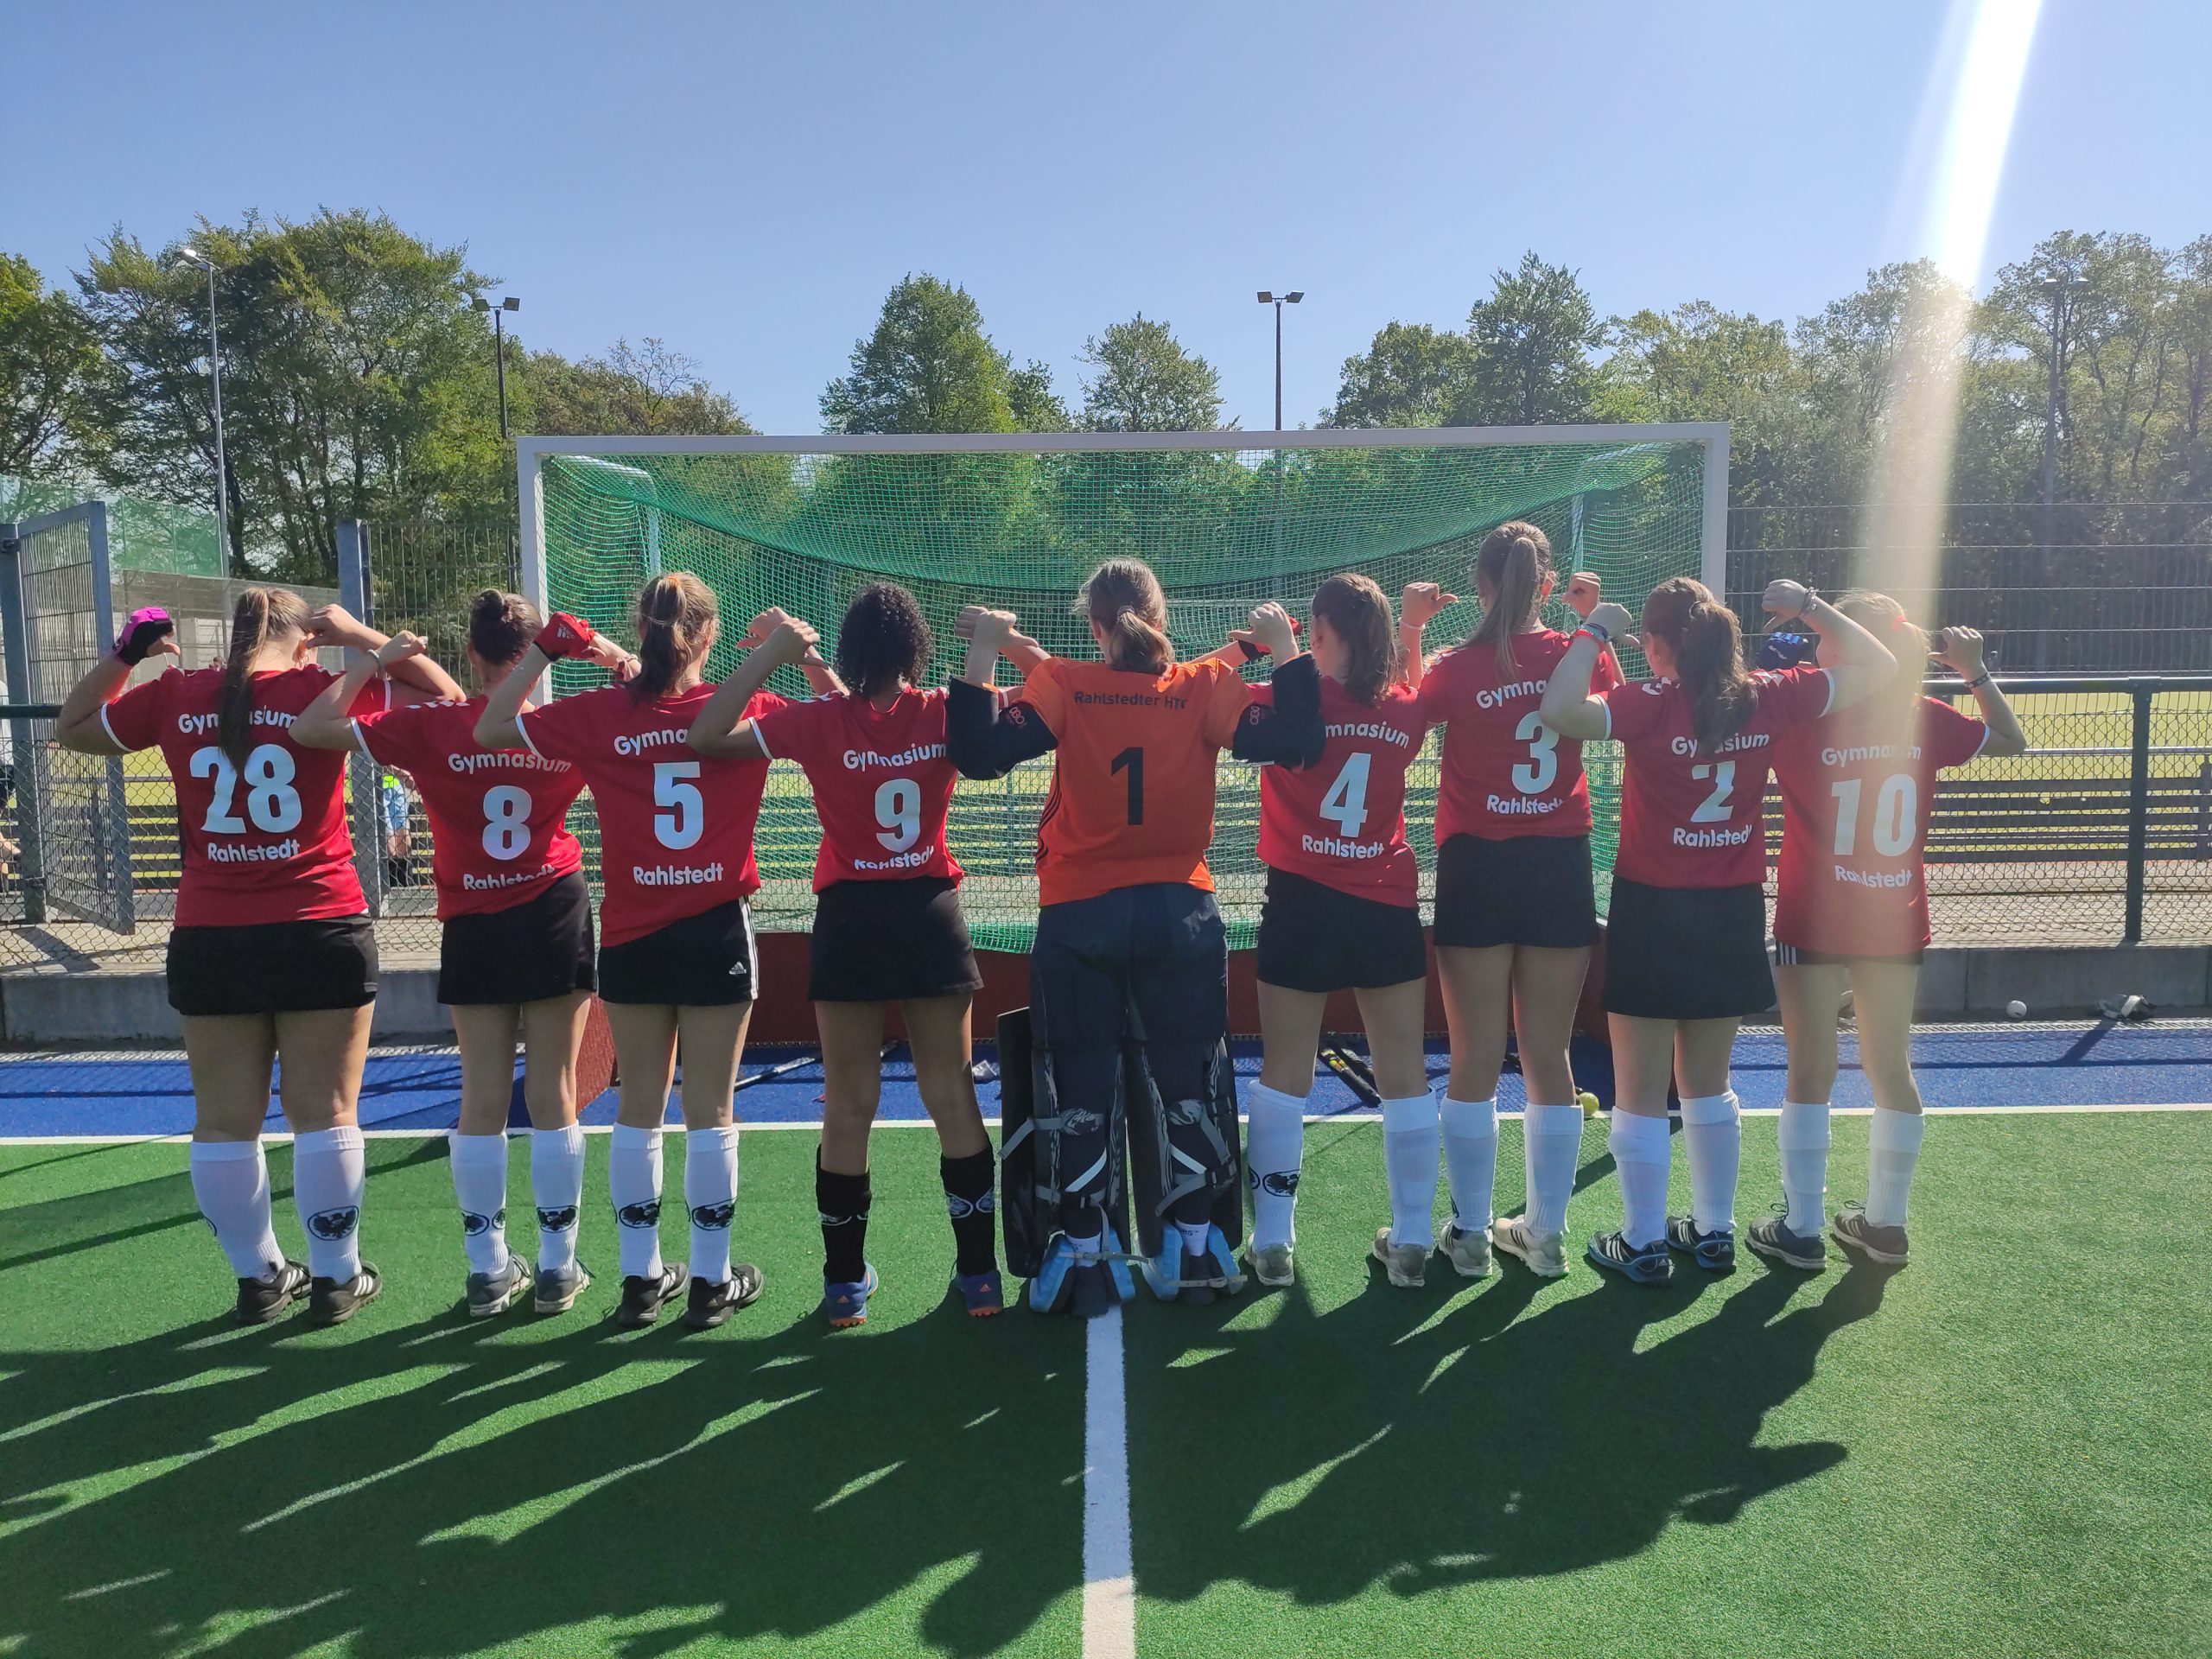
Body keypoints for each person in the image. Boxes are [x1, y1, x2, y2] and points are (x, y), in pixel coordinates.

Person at [54, 590, 461, 1324]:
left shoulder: (178, 693)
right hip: (318, 925)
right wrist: (362, 638)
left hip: (213, 934)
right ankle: (336, 1276)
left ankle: (260, 1277)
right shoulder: (321, 688)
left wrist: (124, 656)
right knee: (326, 1112)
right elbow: (449, 700)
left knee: (223, 1121)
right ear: (306, 640)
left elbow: (73, 728)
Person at [947, 559, 1324, 1316]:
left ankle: (1085, 1252)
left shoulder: (1067, 682)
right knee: (1189, 1081)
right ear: (1163, 617)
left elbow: (977, 755)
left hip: (1080, 915)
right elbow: (1300, 739)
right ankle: (1195, 1246)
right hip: (1181, 914)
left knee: (1079, 1086)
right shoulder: (1202, 685)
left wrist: (984, 652)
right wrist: (1286, 650)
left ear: (1095, 625)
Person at [475, 572, 838, 1332]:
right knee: (711, 1109)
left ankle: (641, 1280)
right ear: (707, 635)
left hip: (633, 934)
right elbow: (844, 717)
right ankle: (709, 1280)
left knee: (638, 1107)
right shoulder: (747, 707)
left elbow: (492, 725)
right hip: (714, 930)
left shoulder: (600, 713)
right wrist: (794, 653)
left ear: (641, 630)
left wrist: (545, 652)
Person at [1539, 576, 1894, 1285]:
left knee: (1641, 1088)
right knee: (1708, 1082)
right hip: (1730, 908)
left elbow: (1557, 708)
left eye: (1647, 639)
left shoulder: (1649, 703)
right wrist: (1811, 607)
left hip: (1652, 907)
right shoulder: (1767, 694)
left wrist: (1594, 631)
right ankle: (1714, 1233)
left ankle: (1642, 1242)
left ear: (1658, 644)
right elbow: (1880, 666)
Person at [689, 583, 1002, 1326]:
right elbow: (997, 721)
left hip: (850, 921)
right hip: (929, 915)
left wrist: (773, 657)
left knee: (849, 1103)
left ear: (849, 649)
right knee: (951, 1093)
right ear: (917, 648)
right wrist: (993, 647)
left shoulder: (820, 719)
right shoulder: (942, 711)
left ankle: (843, 1286)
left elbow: (706, 735)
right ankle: (981, 1277)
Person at [295, 590, 598, 1319]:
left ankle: (488, 1269)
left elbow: (312, 727)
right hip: (553, 909)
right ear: (540, 655)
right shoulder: (565, 726)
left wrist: (370, 649)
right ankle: (557, 1267)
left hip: (473, 919)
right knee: (554, 1092)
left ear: (471, 654)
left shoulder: (431, 727)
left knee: (481, 1096)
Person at [1755, 596, 2024, 1271]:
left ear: (1847, 645)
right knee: (1890, 1068)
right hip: (1893, 915)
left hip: (1814, 912)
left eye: (1825, 633)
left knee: (1809, 1068)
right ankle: (1886, 1225)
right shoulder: (1920, 715)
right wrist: (1974, 671)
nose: (1816, 644)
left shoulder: (1804, 712)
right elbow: (2011, 739)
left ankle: (1802, 1228)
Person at [1398, 523, 1618, 1281]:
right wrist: (1590, 624)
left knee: (1475, 1057)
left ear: (1480, 586)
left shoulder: (1458, 665)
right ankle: (1546, 1235)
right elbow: (1623, 704)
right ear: (1548, 585)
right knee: (1550, 1054)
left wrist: (1411, 631)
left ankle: (1469, 1237)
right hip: (1559, 865)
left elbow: (1406, 713)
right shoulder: (1576, 653)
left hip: (1479, 866)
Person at [1239, 573, 1433, 1290]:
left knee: (1284, 1072)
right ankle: (1412, 1239)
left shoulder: (1284, 699)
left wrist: (1275, 651)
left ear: (1319, 632)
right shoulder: (1407, 708)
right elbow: (1405, 691)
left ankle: (1272, 1243)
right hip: (1385, 902)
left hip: (1302, 900)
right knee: (1404, 1073)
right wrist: (1412, 632)